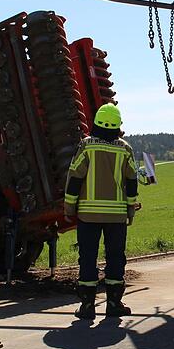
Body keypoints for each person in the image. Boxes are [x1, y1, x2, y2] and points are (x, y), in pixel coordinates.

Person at [63, 104, 139, 319]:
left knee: (88, 257)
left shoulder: (87, 147)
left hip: (88, 215)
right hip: (115, 216)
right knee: (115, 257)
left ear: (96, 122)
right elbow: (132, 181)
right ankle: (114, 304)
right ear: (118, 125)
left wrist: (69, 207)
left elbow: (75, 178)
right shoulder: (124, 149)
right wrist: (130, 209)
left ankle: (87, 307)